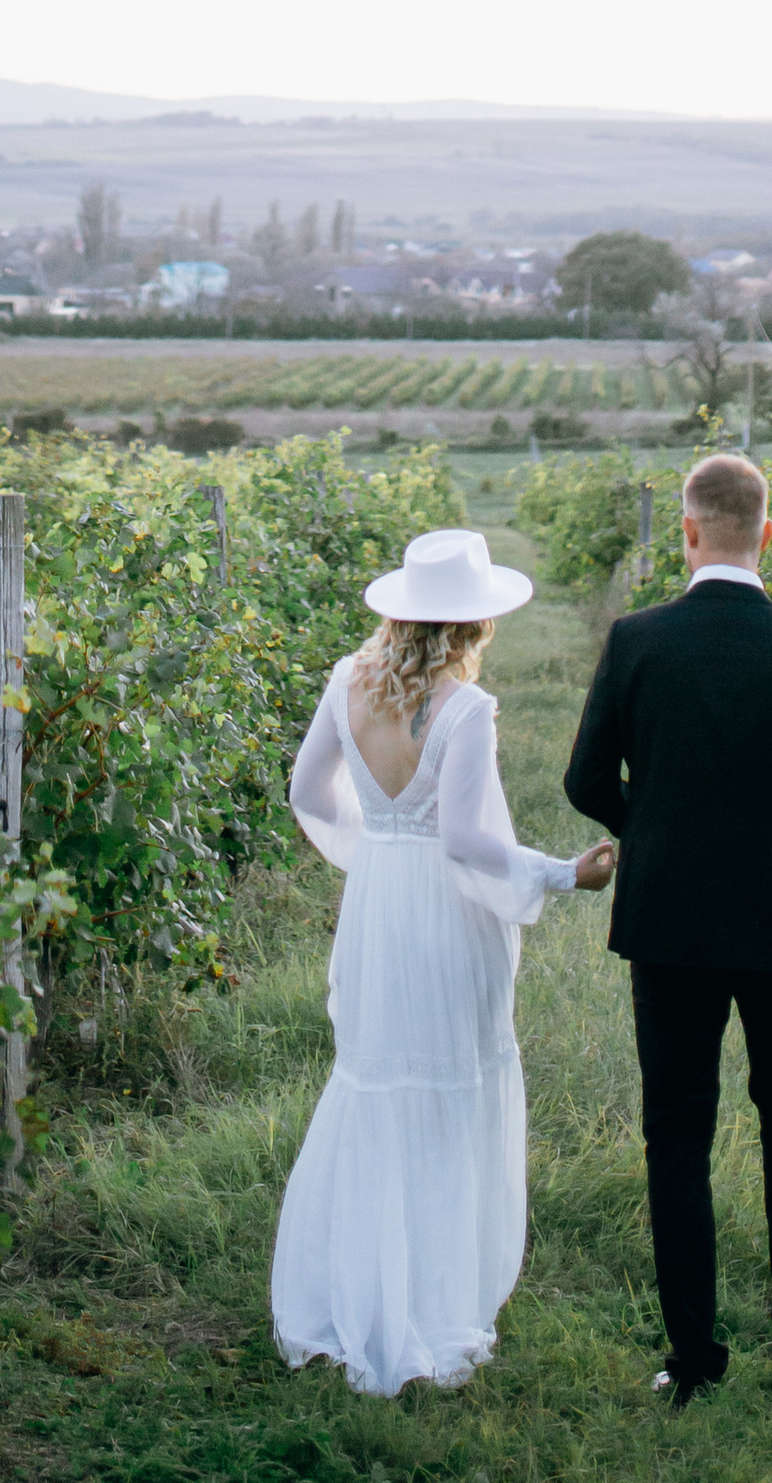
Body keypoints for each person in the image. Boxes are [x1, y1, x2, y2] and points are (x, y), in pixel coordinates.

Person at [563, 449, 772, 1411]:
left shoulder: (636, 641)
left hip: (669, 922)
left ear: (689, 531)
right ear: (769, 534)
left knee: (677, 1134)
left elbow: (586, 782)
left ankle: (695, 1359)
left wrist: (654, 829)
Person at [271, 523, 617, 1395]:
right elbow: (465, 840)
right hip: (444, 918)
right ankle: (432, 1301)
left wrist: (374, 854)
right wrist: (560, 873)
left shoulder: (346, 683)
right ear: (473, 626)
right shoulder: (464, 710)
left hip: (378, 909)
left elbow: (306, 792)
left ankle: (361, 1293)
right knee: (452, 1091)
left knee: (377, 1081)